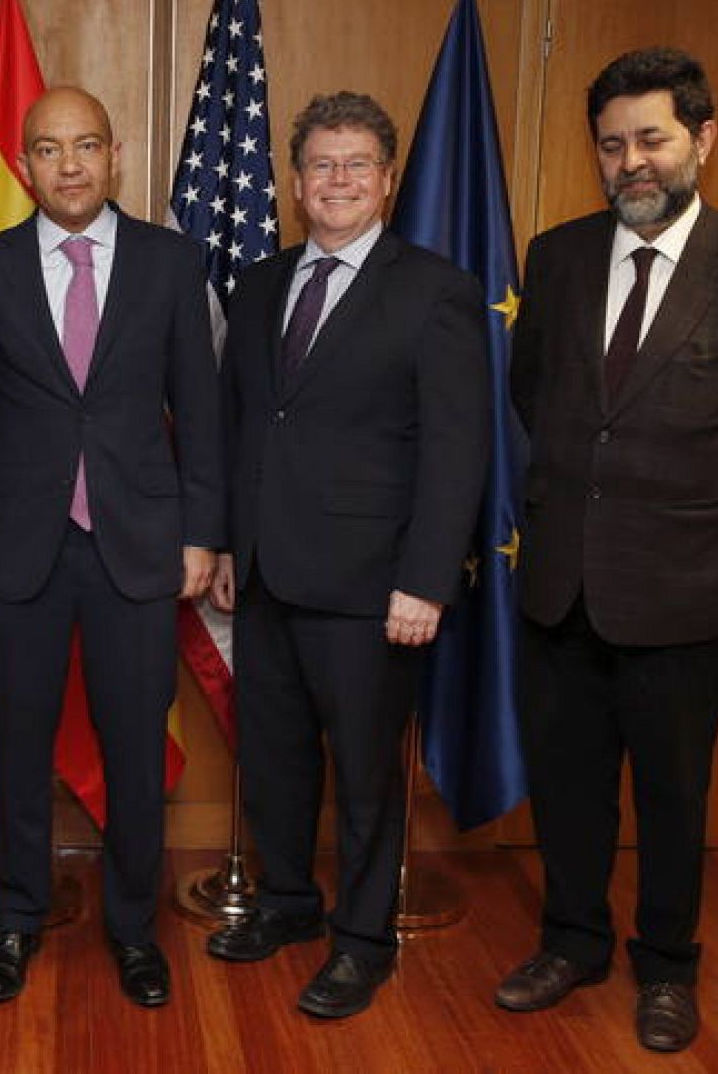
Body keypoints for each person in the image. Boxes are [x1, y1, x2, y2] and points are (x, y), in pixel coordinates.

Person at [496, 47, 718, 1053]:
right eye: (611, 144)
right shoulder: (554, 257)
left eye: (650, 138)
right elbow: (536, 399)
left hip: (685, 589)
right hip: (560, 582)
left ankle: (667, 967)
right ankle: (571, 941)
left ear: (702, 139)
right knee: (566, 784)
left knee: (675, 794)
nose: (630, 162)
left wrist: (703, 509)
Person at [206, 91, 489, 1020]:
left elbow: (458, 447)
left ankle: (363, 941)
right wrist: (222, 546)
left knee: (367, 775)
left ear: (388, 180)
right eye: (321, 164)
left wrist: (425, 579)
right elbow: (239, 426)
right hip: (264, 576)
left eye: (357, 164)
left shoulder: (435, 289)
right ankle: (290, 904)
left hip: (376, 590)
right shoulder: (257, 286)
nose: (337, 181)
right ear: (293, 182)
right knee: (277, 761)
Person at [0, 87, 223, 1007]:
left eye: (87, 145)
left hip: (138, 546)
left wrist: (200, 534)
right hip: (20, 547)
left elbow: (203, 414)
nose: (70, 165)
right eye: (51, 149)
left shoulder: (171, 264)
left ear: (114, 156)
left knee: (135, 746)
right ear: (24, 165)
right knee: (17, 746)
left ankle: (134, 931)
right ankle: (14, 923)